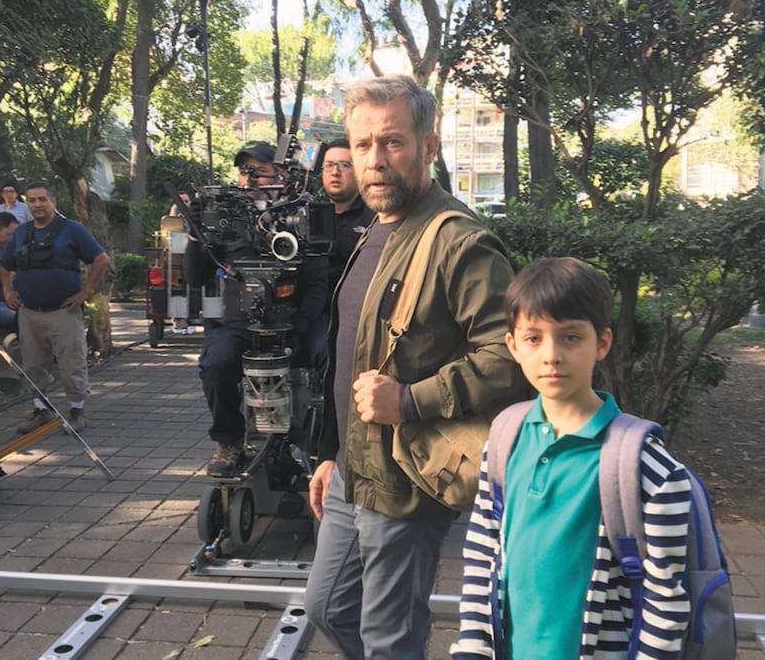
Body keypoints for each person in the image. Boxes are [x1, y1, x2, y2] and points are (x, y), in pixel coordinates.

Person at [303, 75, 530, 660]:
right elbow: (350, 353)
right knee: (326, 608)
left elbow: (512, 354)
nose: (374, 160)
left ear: (429, 146)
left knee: (390, 637)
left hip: (407, 476)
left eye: (392, 142)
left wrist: (409, 400)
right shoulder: (370, 233)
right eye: (362, 146)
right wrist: (330, 451)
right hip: (353, 470)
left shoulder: (459, 240)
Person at [450, 257, 691, 659]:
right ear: (512, 345)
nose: (551, 355)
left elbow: (666, 601)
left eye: (571, 337)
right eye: (533, 338)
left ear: (602, 343)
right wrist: (472, 649)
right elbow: (482, 553)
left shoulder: (645, 466)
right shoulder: (505, 437)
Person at [184, 140, 330, 477]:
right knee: (216, 364)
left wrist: (302, 326)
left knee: (329, 353)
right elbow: (195, 278)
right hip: (241, 321)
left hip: (296, 319)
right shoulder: (224, 218)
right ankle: (229, 439)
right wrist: (195, 237)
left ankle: (326, 440)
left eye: (259, 172)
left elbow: (318, 283)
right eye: (243, 172)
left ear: (281, 173)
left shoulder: (302, 212)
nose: (249, 179)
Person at [0, 181, 110, 433]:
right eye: (32, 200)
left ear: (53, 201)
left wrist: (85, 291)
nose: (37, 205)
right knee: (33, 365)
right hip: (28, 312)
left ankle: (77, 410)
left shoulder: (71, 229)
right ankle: (40, 409)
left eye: (42, 199)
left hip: (63, 311)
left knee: (72, 364)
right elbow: (4, 265)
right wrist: (7, 290)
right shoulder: (20, 232)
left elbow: (101, 258)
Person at [320, 137, 373, 284]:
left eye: (344, 165)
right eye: (329, 165)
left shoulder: (376, 218)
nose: (335, 172)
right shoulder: (308, 216)